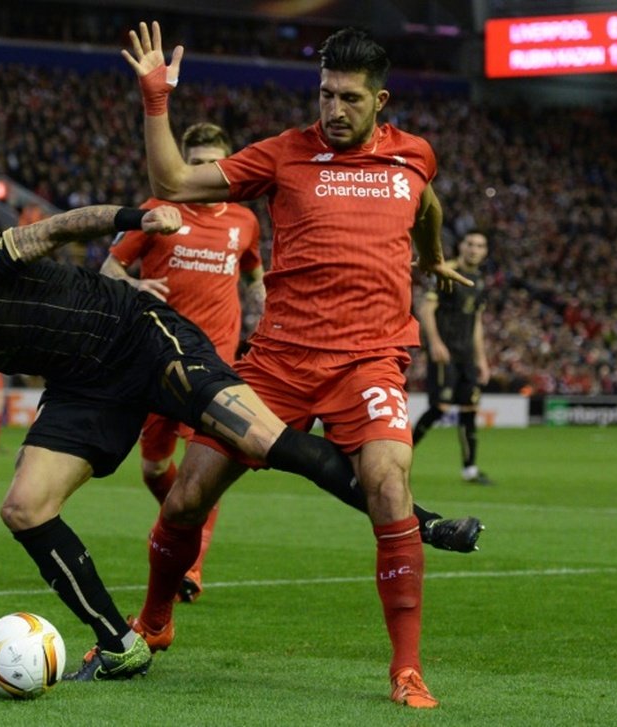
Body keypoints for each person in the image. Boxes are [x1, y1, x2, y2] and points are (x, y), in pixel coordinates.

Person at [0, 203, 408, 683]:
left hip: (133, 334)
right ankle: (122, 645)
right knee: (23, 507)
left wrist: (134, 217)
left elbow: (57, 228)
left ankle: (416, 520)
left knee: (266, 440)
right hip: (83, 387)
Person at [123, 21, 481, 708]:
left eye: (348, 98)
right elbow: (169, 178)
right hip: (278, 362)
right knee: (186, 496)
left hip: (369, 360)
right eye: (324, 95)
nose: (333, 111)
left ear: (380, 102)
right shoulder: (284, 155)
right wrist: (156, 99)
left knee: (387, 482)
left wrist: (432, 256)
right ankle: (154, 622)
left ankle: (405, 669)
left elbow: (428, 203)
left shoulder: (414, 158)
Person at [101, 121, 265, 603]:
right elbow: (109, 271)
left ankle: (191, 564)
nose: (200, 171)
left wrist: (266, 306)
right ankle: (178, 518)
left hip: (214, 368)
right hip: (155, 360)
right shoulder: (157, 212)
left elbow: (255, 273)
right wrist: (133, 287)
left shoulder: (244, 221)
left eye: (210, 163)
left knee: (202, 473)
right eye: (192, 163)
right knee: (154, 471)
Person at [412, 231, 494, 485]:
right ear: (461, 246)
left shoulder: (479, 281)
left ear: (485, 251)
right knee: (441, 408)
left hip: (466, 356)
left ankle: (470, 469)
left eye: (480, 245)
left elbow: (476, 322)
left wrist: (481, 359)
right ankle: (397, 458)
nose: (474, 249)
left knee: (470, 408)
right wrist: (434, 343)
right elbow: (426, 309)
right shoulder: (445, 271)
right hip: (445, 352)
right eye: (470, 244)